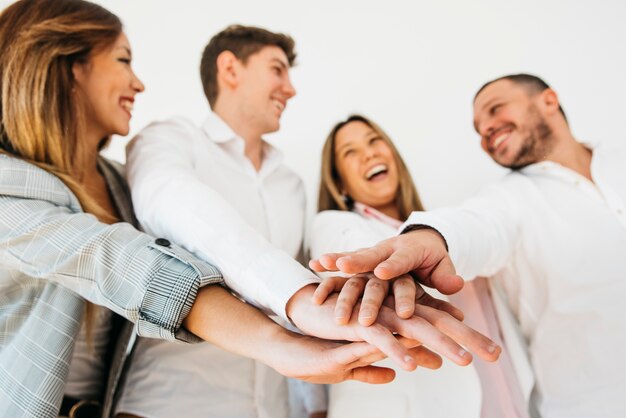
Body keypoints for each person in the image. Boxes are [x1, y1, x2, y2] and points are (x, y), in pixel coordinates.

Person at [0, 2, 424, 417]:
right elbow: (122, 258)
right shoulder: (165, 144)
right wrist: (293, 309)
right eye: (124, 60)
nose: (139, 83)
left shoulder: (117, 182)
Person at [119, 25, 500, 418]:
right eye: (277, 70)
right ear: (231, 68)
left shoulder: (291, 187)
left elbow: (322, 287)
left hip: (271, 407)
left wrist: (317, 401)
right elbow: (178, 206)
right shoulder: (169, 140)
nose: (290, 89)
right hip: (168, 402)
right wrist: (296, 296)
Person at [311, 75, 626, 418]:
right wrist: (430, 237)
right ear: (339, 180)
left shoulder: (616, 161)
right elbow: (474, 227)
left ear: (549, 101)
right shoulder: (504, 200)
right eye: (350, 152)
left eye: (495, 110)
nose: (486, 130)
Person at [309, 114, 531, 418]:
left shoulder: (445, 228)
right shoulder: (335, 223)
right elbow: (351, 255)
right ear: (340, 184)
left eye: (375, 141)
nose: (369, 153)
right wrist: (376, 270)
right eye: (350, 152)